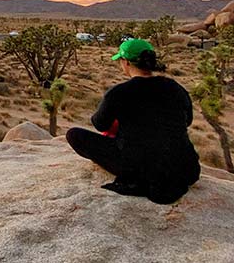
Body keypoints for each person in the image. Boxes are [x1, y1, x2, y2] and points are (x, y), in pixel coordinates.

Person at [65, 38, 200, 204]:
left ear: (126, 62)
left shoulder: (119, 93)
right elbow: (187, 121)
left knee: (74, 135)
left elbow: (100, 124)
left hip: (139, 167)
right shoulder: (175, 88)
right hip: (185, 168)